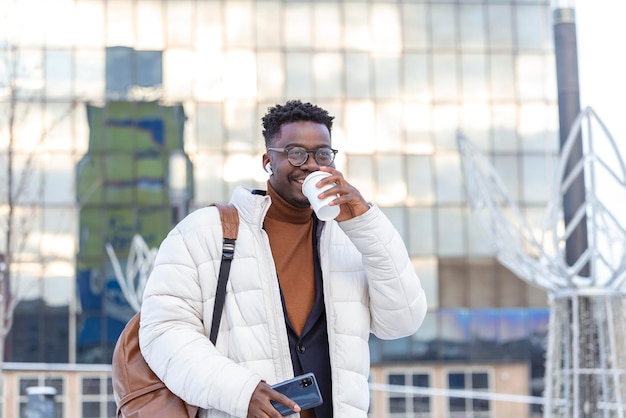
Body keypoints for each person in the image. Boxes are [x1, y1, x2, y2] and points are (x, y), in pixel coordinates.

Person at [139, 100, 427, 418]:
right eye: (295, 152)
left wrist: (365, 222)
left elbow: (402, 321)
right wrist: (240, 391)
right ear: (268, 161)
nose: (310, 164)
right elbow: (163, 332)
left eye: (322, 154)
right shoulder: (204, 232)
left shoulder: (352, 237)